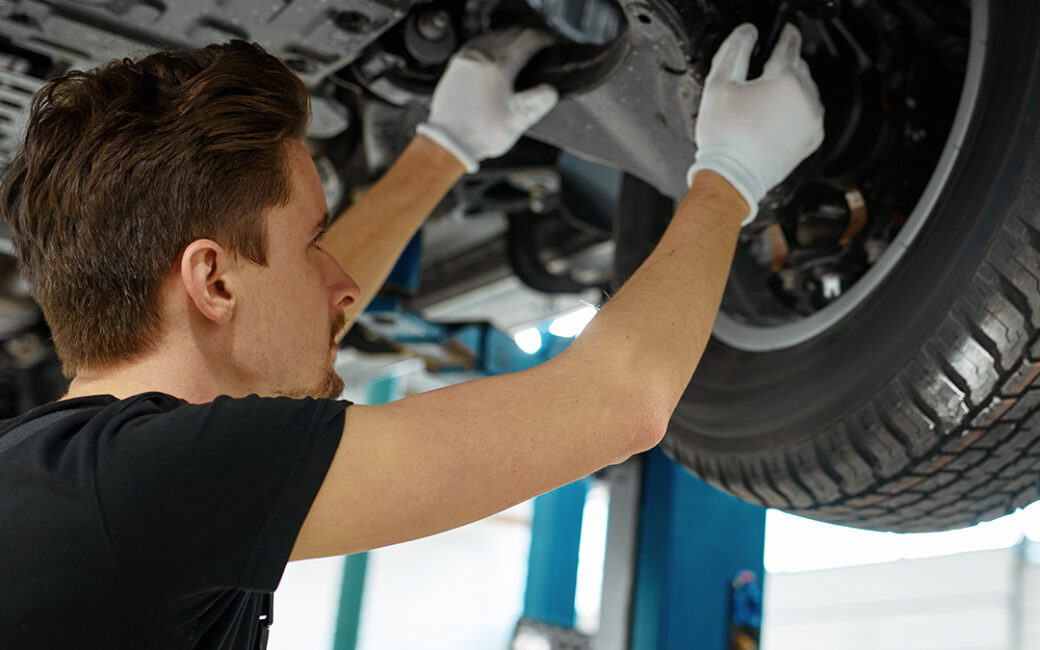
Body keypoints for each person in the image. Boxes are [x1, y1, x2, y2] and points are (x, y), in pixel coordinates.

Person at [0, 21, 823, 650]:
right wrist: (729, 176)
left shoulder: (64, 475)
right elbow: (618, 405)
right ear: (210, 281)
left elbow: (271, 313)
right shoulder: (154, 484)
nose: (345, 286)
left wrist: (445, 150)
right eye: (313, 242)